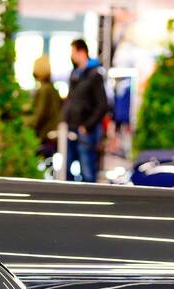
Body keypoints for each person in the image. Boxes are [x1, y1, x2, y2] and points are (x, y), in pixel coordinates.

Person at [63, 39, 109, 183]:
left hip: (86, 131)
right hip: (72, 127)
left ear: (81, 52)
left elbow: (102, 105)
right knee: (68, 170)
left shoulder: (95, 75)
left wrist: (87, 126)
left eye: (73, 52)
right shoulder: (75, 74)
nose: (72, 56)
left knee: (87, 171)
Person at [29, 55, 62, 158]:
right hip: (52, 134)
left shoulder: (44, 90)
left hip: (45, 135)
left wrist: (28, 125)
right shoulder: (52, 88)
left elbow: (40, 114)